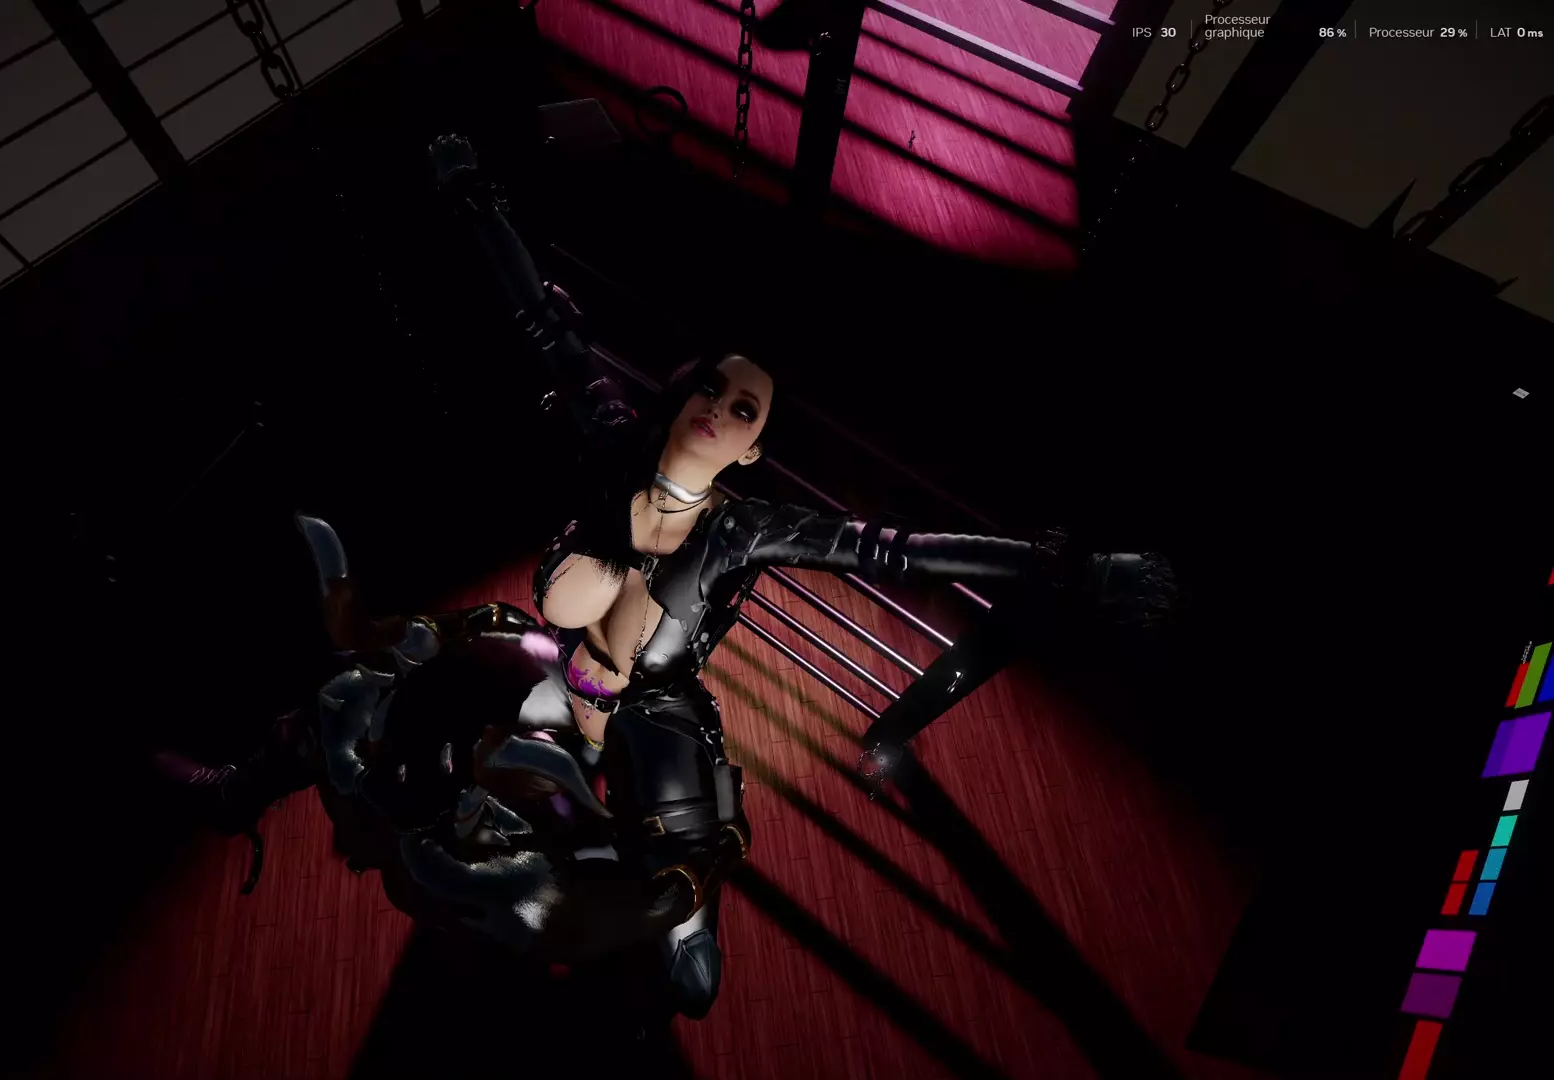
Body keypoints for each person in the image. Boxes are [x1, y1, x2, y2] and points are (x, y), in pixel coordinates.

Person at [425, 133, 1178, 1017]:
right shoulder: (611, 435)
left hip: (654, 698)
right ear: (683, 390)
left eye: (742, 410)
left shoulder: (743, 531)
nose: (717, 409)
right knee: (482, 699)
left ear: (752, 448)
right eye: (712, 388)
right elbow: (545, 324)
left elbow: (896, 550)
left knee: (683, 856)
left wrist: (1069, 568)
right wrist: (475, 198)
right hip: (567, 659)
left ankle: (688, 922)